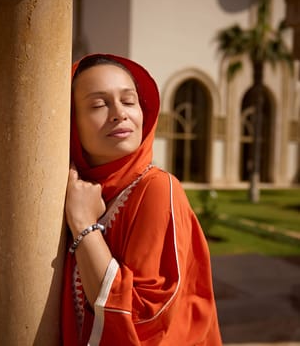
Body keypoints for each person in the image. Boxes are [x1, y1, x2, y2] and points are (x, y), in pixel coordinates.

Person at [62, 53, 222, 345]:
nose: (119, 113)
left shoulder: (157, 188)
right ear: (71, 121)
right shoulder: (76, 189)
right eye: (99, 104)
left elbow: (143, 318)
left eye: (128, 100)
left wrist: (84, 225)